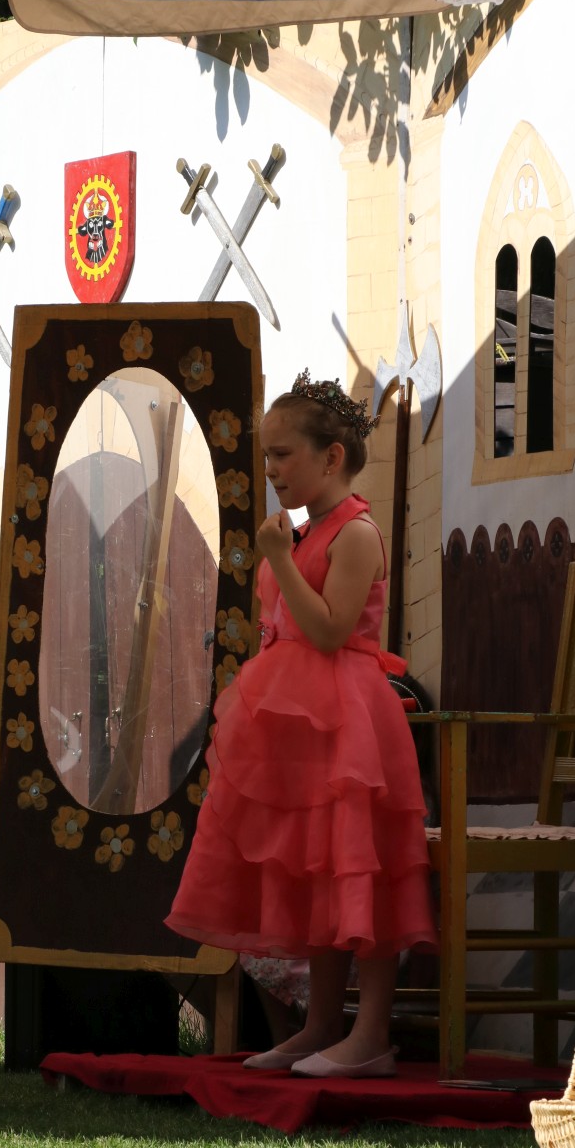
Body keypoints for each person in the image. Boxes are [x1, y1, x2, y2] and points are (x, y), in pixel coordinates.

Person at [166, 371, 437, 1078]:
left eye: (283, 455)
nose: (272, 470)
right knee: (319, 867)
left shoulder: (357, 534)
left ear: (332, 456)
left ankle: (370, 1035)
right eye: (268, 457)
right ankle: (320, 1025)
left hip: (351, 721)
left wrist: (281, 560)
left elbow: (329, 631)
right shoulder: (307, 531)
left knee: (360, 869)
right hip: (302, 723)